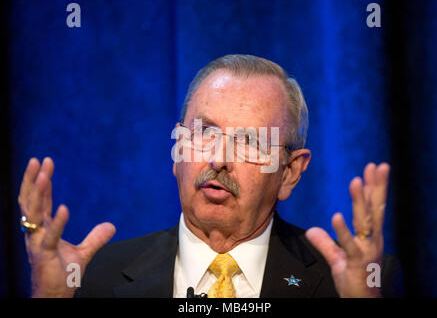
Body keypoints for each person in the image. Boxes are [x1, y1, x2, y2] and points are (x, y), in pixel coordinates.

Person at [18, 54, 403, 298]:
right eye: (204, 134)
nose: (219, 158)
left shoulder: (357, 283)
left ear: (289, 173)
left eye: (249, 141)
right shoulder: (90, 278)